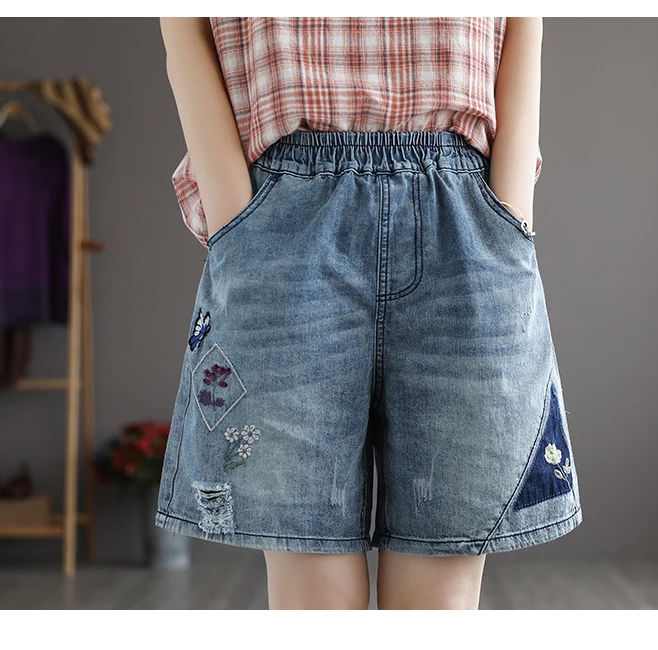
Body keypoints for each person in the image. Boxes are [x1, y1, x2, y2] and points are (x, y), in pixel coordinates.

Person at [156, 17, 582, 610]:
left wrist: (509, 214)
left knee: (440, 601)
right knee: (313, 600)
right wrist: (234, 215)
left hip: (464, 221)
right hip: (286, 222)